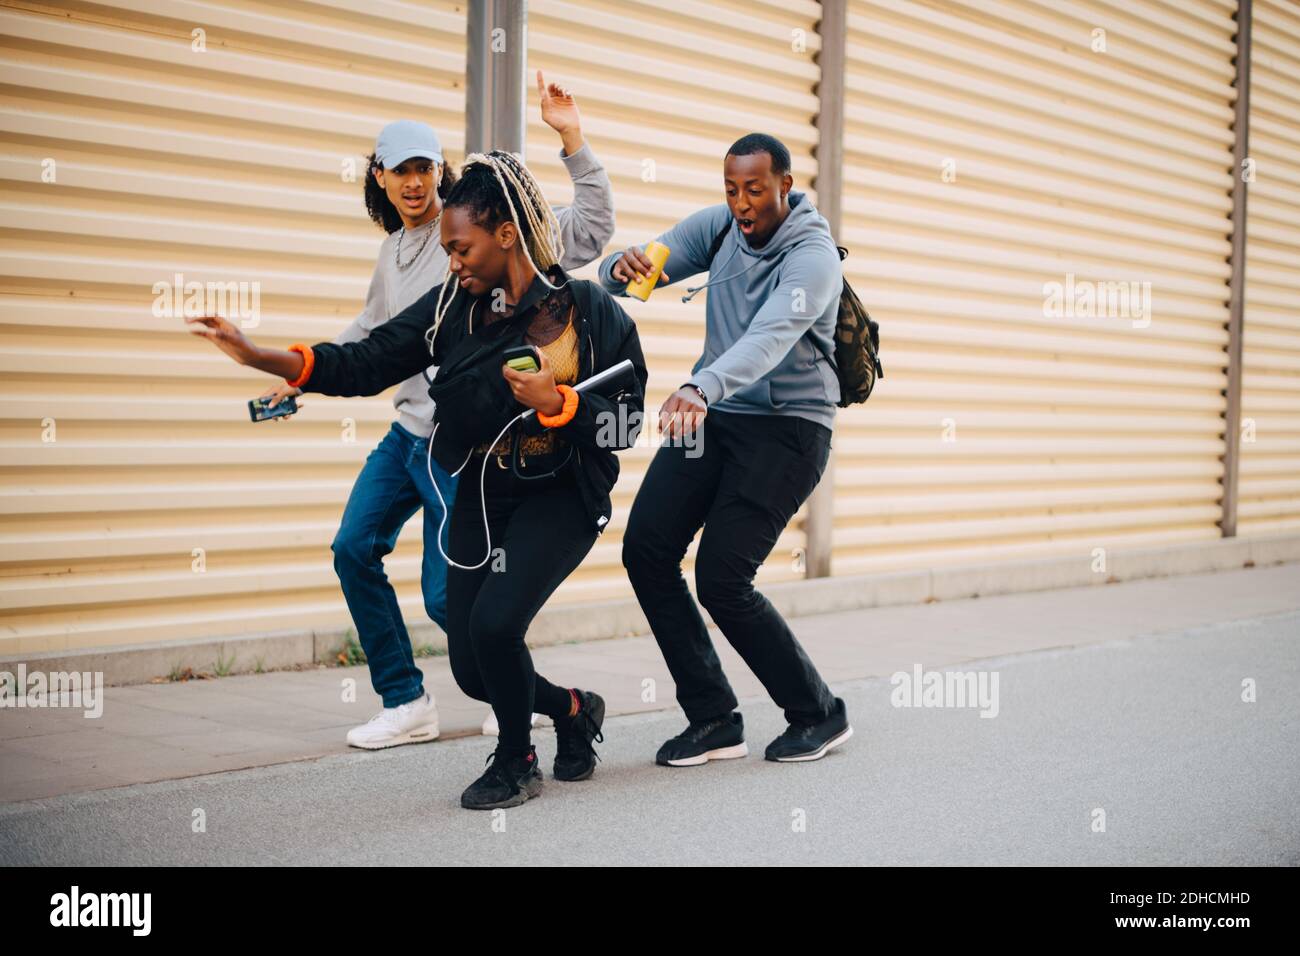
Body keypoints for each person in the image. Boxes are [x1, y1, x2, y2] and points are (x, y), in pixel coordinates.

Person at [188, 150, 648, 810]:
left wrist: (559, 403)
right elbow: (365, 361)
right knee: (470, 666)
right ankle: (573, 709)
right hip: (481, 492)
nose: (452, 261)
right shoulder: (450, 311)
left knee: (495, 627)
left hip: (562, 494)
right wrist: (260, 354)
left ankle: (516, 761)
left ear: (507, 235)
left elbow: (625, 424)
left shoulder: (588, 313)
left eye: (461, 248)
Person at [259, 72, 615, 751]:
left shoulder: (485, 230)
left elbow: (590, 226)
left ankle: (514, 692)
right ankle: (406, 700)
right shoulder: (393, 251)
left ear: (441, 173)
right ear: (381, 178)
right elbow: (370, 335)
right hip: (406, 436)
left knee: (449, 597)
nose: (416, 184)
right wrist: (296, 374)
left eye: (426, 169)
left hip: (463, 445)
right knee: (352, 549)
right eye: (402, 172)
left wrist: (571, 138)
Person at [597, 132, 852, 767]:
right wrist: (618, 270)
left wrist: (699, 385)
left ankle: (818, 712)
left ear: (785, 186)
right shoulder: (718, 229)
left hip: (789, 427)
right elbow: (645, 269)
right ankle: (714, 718)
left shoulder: (814, 258)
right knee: (647, 550)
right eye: (732, 189)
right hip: (715, 413)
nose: (742, 203)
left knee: (721, 577)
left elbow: (770, 336)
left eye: (756, 190)